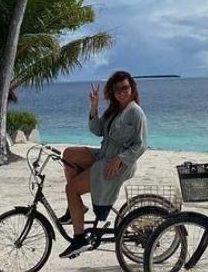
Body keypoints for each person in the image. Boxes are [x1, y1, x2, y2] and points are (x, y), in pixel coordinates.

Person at [59, 70, 148, 258]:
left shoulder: (136, 112)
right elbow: (97, 130)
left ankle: (79, 239)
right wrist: (94, 106)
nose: (121, 92)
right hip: (104, 155)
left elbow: (141, 145)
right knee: (68, 154)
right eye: (117, 89)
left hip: (117, 164)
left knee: (71, 189)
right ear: (112, 92)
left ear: (132, 88)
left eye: (125, 88)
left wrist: (120, 159)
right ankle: (77, 208)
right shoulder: (114, 110)